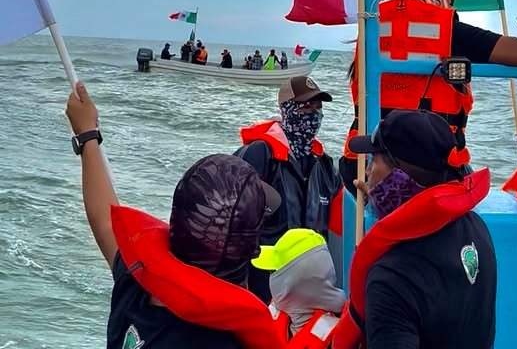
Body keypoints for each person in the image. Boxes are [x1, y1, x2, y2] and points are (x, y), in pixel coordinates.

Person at [65, 82, 285, 349]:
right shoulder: (222, 341)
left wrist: (87, 134)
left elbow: (104, 222)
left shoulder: (137, 282)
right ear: (252, 250)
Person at [341, 0, 517, 189]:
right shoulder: (448, 31)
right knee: (469, 180)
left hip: (360, 162)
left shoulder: (371, 27)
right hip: (424, 171)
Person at [332, 110, 496, 349]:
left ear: (399, 178)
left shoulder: (392, 277)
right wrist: (384, 204)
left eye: (374, 161)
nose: (367, 172)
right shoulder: (476, 230)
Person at [235, 75, 341, 303]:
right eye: (306, 107)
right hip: (264, 282)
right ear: (287, 109)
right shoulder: (260, 154)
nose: (314, 114)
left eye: (318, 107)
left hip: (309, 283)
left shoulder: (324, 165)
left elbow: (341, 223)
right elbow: (234, 221)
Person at [252, 228, 346, 347]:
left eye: (273, 272)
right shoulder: (268, 321)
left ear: (291, 284)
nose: (270, 279)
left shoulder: (341, 340)